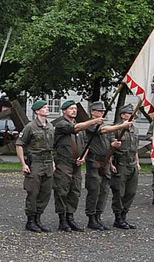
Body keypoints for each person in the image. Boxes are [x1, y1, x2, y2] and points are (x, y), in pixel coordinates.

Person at [82, 101, 133, 231]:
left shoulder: (106, 125)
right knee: (94, 189)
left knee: (104, 190)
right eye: (99, 111)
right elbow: (103, 130)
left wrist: (114, 144)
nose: (102, 113)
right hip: (94, 161)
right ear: (92, 112)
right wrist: (121, 126)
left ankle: (98, 216)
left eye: (103, 111)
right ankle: (91, 218)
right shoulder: (91, 124)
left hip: (105, 161)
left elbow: (110, 140)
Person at [52, 100, 101, 232]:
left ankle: (70, 217)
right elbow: (74, 129)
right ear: (64, 111)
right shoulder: (61, 124)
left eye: (75, 109)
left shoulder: (81, 128)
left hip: (77, 164)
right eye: (71, 109)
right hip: (64, 162)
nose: (74, 111)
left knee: (75, 191)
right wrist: (93, 121)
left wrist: (83, 157)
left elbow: (86, 144)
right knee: (62, 190)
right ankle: (62, 219)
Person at [15, 99, 55, 233]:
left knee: (45, 192)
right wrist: (23, 164)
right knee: (33, 192)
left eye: (47, 107)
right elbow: (19, 144)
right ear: (37, 111)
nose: (47, 109)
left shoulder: (50, 126)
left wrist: (52, 162)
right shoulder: (30, 127)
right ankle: (30, 220)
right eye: (44, 107)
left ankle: (38, 218)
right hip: (35, 162)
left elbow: (50, 148)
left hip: (47, 162)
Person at [110, 104, 141, 228]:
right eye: (129, 114)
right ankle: (118, 217)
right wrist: (110, 163)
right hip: (121, 163)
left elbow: (135, 148)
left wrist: (137, 163)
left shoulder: (135, 130)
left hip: (132, 163)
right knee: (119, 191)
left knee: (131, 192)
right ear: (123, 115)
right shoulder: (116, 128)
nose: (132, 116)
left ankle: (124, 215)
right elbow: (110, 148)